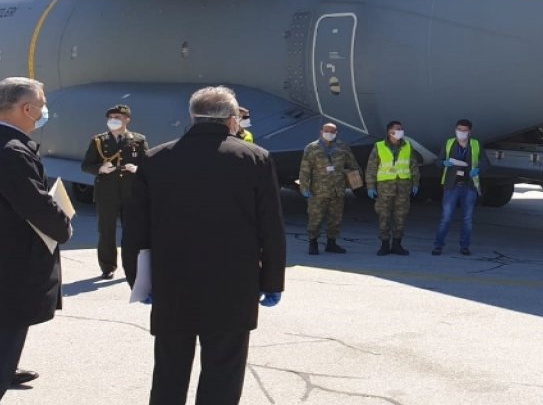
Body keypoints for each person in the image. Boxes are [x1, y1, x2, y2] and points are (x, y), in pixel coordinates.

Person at [124, 86, 285, 404]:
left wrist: (138, 281)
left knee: (169, 369)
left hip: (173, 283)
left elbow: (134, 229)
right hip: (233, 284)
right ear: (231, 118)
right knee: (223, 372)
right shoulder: (255, 158)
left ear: (192, 116)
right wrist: (272, 280)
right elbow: (271, 227)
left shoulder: (156, 159)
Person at [0, 78, 72, 403]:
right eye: (41, 103)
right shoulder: (9, 150)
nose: (44, 110)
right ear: (27, 108)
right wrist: (64, 225)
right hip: (6, 275)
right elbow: (36, 206)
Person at [80, 104, 149, 281]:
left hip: (130, 192)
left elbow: (148, 164)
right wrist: (101, 169)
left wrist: (138, 168)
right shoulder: (98, 141)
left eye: (118, 117)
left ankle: (132, 266)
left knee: (132, 231)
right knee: (106, 231)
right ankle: (108, 266)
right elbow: (86, 165)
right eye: (111, 118)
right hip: (107, 192)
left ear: (127, 119)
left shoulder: (138, 140)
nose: (113, 121)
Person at [297, 122, 360, 255]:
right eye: (327, 131)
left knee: (335, 219)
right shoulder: (312, 148)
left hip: (338, 191)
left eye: (332, 132)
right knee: (315, 218)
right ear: (321, 131)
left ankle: (332, 243)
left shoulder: (343, 147)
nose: (329, 134)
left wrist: (354, 184)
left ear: (336, 133)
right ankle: (313, 243)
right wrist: (304, 187)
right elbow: (305, 170)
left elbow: (354, 166)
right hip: (318, 191)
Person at [365, 121, 421, 256]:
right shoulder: (379, 146)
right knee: (384, 216)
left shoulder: (407, 146)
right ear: (390, 131)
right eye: (397, 129)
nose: (400, 131)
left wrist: (415, 183)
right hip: (385, 188)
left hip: (403, 187)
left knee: (400, 217)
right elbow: (371, 168)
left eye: (401, 129)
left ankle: (397, 244)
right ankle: (384, 245)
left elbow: (413, 166)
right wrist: (371, 186)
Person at [433, 119, 486, 256]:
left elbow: (486, 163)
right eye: (459, 129)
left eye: (464, 130)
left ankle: (464, 246)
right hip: (452, 185)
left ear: (469, 132)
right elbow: (438, 162)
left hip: (469, 185)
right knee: (446, 217)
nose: (461, 132)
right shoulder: (449, 143)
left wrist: (478, 169)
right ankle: (438, 245)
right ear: (455, 130)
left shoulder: (476, 144)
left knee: (467, 219)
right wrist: (444, 163)